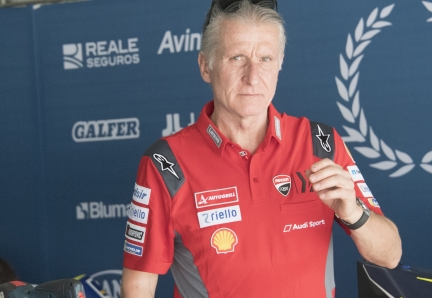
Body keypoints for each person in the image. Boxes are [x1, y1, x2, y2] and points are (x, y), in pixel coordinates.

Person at [121, 0, 402, 297]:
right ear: (206, 66)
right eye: (237, 58)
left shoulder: (322, 143)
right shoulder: (166, 163)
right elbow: (138, 285)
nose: (253, 77)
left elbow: (390, 254)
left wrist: (354, 213)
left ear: (280, 62)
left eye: (265, 59)